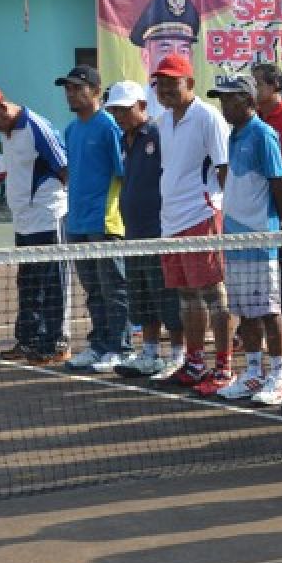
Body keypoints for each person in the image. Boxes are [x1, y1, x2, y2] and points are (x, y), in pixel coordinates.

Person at [207, 75, 282, 406]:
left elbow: (280, 184)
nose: (225, 106)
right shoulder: (234, 135)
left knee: (269, 310)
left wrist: (271, 224)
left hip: (259, 239)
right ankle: (254, 371)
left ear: (248, 101)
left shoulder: (262, 134)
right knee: (243, 309)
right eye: (222, 100)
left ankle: (280, 376)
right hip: (236, 239)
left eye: (231, 99)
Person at [0, 85, 70, 365]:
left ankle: (56, 342)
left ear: (2, 108)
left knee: (53, 282)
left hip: (48, 216)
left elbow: (64, 167)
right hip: (23, 220)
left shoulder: (37, 126)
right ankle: (28, 340)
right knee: (27, 282)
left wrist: (60, 205)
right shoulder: (6, 130)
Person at [152, 53, 231, 394]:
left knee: (213, 293)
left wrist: (221, 210)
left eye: (173, 82)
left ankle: (224, 367)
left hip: (201, 215)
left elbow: (224, 167)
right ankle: (195, 362)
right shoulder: (162, 120)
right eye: (161, 83)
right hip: (171, 220)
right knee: (186, 295)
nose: (166, 89)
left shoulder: (207, 116)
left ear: (190, 83)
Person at [103, 80, 185, 381]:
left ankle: (178, 355)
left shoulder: (159, 134)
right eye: (115, 111)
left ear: (142, 106)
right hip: (133, 233)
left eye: (125, 110)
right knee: (143, 297)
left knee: (167, 297)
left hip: (159, 230)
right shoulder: (125, 140)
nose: (120, 116)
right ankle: (150, 353)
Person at [57, 64, 130, 371]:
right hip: (76, 223)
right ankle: (99, 344)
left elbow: (123, 173)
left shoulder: (109, 126)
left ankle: (120, 347)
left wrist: (112, 213)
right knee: (93, 291)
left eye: (77, 88)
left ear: (96, 92)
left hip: (104, 223)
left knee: (114, 288)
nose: (71, 94)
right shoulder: (71, 130)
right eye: (68, 89)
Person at [251, 62, 282, 361]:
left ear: (274, 87)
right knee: (264, 281)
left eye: (258, 84)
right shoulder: (254, 120)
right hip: (261, 214)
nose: (254, 89)